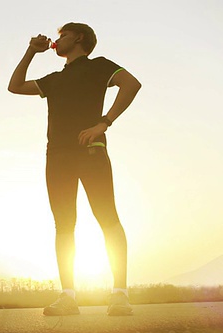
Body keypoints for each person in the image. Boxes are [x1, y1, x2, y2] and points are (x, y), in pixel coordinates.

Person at [8, 23, 141, 316]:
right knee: (64, 224)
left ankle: (120, 294)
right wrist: (31, 50)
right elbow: (15, 86)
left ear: (79, 38)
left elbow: (132, 84)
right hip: (57, 156)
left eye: (62, 35)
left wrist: (104, 122)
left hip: (91, 151)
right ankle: (68, 297)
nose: (57, 41)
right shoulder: (54, 79)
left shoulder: (99, 67)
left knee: (107, 218)